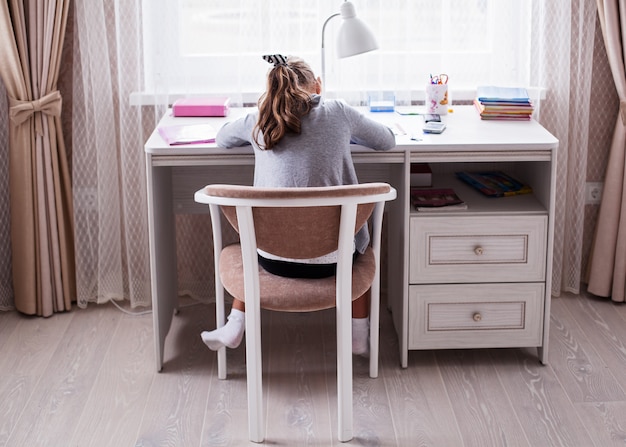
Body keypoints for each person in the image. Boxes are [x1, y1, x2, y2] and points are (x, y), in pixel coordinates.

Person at [201, 54, 396, 356]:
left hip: (271, 259)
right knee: (352, 237)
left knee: (256, 240)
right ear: (318, 86)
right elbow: (387, 141)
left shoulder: (260, 120)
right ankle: (359, 335)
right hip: (334, 261)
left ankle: (235, 323)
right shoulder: (339, 112)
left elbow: (221, 138)